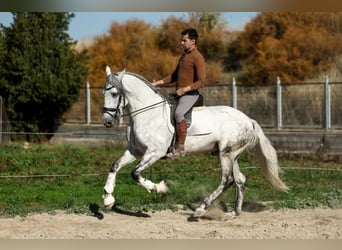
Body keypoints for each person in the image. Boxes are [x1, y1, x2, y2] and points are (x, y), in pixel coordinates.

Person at [153, 28, 206, 158]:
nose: (181, 43)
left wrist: (185, 89)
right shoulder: (184, 56)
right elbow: (174, 76)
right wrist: (157, 83)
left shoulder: (197, 57)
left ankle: (180, 148)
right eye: (181, 40)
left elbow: (201, 82)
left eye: (184, 40)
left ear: (193, 41)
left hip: (191, 95)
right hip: (180, 94)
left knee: (178, 114)